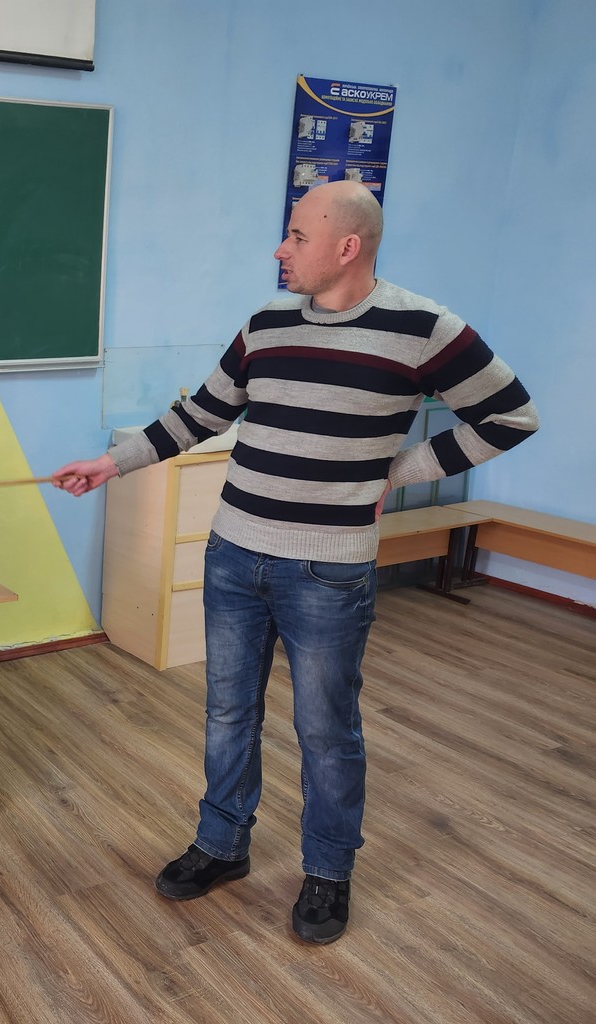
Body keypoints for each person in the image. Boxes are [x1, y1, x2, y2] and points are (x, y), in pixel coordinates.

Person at [54, 180, 538, 944]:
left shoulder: (424, 329)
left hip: (328, 572)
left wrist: (399, 472)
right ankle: (222, 844)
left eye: (297, 237)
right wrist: (113, 463)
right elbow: (200, 414)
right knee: (227, 713)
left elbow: (511, 415)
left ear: (348, 246)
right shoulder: (266, 324)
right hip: (234, 554)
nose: (280, 249)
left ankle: (328, 873)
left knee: (326, 730)